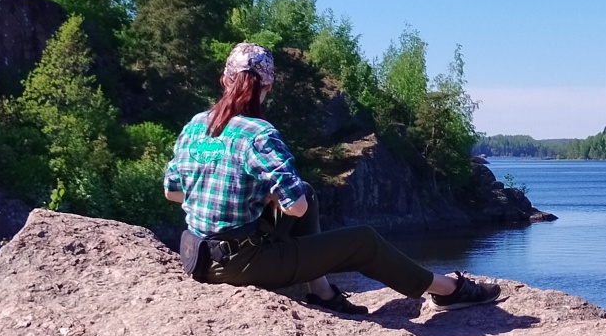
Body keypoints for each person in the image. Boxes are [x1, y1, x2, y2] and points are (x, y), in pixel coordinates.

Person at [164, 42, 501, 314]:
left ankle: (322, 292)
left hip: (197, 258)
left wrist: (243, 195)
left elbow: (173, 193)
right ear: (267, 86)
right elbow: (293, 208)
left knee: (307, 192)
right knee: (363, 241)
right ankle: (447, 291)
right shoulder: (258, 133)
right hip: (241, 264)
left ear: (225, 80)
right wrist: (263, 196)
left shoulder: (195, 125)